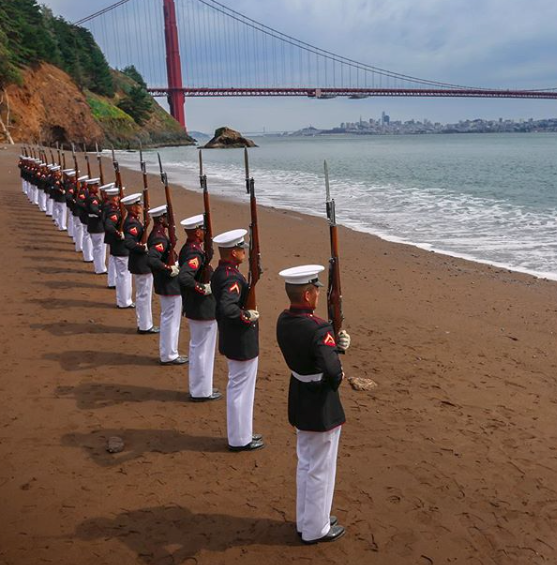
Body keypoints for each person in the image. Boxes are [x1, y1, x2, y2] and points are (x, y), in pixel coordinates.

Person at [276, 264, 350, 545]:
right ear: (307, 295)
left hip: (299, 394)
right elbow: (332, 372)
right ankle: (316, 528)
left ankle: (307, 518)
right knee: (321, 467)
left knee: (306, 463)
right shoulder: (319, 328)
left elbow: (309, 351)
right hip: (320, 402)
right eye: (315, 290)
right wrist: (337, 364)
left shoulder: (284, 319)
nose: (319, 294)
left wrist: (334, 347)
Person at [211, 229, 263, 451]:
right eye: (241, 248)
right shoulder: (231, 277)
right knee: (241, 389)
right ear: (233, 252)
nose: (244, 252)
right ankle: (240, 439)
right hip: (240, 340)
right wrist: (245, 315)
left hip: (232, 338)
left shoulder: (222, 272)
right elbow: (226, 307)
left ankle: (241, 434)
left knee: (238, 388)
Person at [178, 215, 220, 402]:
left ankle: (201, 388)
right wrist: (201, 288)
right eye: (203, 230)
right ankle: (201, 391)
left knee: (199, 348)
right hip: (202, 308)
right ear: (197, 231)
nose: (205, 233)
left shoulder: (190, 248)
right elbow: (185, 277)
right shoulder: (194, 253)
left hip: (197, 307)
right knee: (202, 349)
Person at [147, 205, 187, 365]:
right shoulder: (159, 237)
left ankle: (168, 352)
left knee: (169, 318)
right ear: (161, 219)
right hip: (169, 285)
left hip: (167, 284)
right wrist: (168, 268)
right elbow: (152, 259)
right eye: (167, 217)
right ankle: (169, 354)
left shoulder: (159, 234)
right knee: (171, 319)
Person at [122, 192, 158, 335]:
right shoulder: (131, 222)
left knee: (144, 295)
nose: (141, 207)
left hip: (141, 264)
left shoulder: (133, 220)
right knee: (144, 295)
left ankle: (146, 324)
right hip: (140, 264)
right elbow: (129, 243)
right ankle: (144, 326)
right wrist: (143, 247)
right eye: (138, 205)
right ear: (132, 208)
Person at [104, 186, 133, 308]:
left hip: (118, 247)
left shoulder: (113, 209)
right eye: (118, 196)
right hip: (121, 248)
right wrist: (118, 233)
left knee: (122, 275)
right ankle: (124, 301)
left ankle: (123, 300)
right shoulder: (114, 211)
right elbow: (109, 225)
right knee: (124, 275)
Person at [85, 178, 107, 275]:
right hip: (97, 226)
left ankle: (100, 267)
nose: (97, 187)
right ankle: (100, 268)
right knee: (99, 248)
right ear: (90, 187)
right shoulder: (92, 198)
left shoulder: (93, 197)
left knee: (99, 248)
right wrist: (102, 213)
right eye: (95, 186)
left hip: (94, 225)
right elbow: (95, 210)